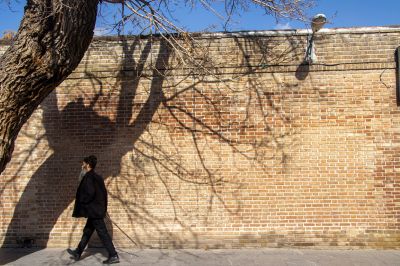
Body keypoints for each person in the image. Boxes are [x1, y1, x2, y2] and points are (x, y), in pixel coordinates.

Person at [67, 155, 119, 264]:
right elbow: (104, 194)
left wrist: (82, 201)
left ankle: (113, 255)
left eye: (83, 164)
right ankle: (78, 252)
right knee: (87, 231)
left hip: (94, 211)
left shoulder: (88, 177)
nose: (82, 166)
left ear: (88, 165)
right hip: (95, 210)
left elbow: (89, 193)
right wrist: (102, 208)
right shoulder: (98, 177)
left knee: (102, 232)